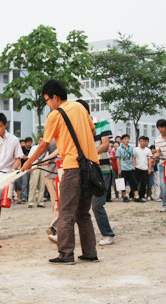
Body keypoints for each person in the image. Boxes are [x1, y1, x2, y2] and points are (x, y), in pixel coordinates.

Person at [22, 79, 99, 264]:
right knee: (83, 213)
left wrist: (29, 162)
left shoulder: (55, 115)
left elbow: (44, 144)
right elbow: (92, 130)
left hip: (73, 167)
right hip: (90, 167)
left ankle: (66, 254)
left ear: (55, 97)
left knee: (65, 211)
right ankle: (90, 253)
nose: (47, 104)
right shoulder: (80, 108)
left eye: (47, 100)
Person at [76, 99, 116, 246]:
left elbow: (105, 144)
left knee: (97, 204)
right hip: (85, 170)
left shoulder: (102, 124)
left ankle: (108, 234)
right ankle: (62, 232)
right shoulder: (78, 128)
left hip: (102, 170)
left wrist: (89, 156)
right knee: (77, 203)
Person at [116, 134, 141, 203]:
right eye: (125, 139)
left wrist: (134, 165)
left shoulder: (131, 148)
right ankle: (124, 196)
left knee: (134, 182)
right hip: (123, 168)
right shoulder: (119, 148)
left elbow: (133, 157)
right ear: (122, 140)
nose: (127, 140)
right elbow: (118, 158)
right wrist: (119, 168)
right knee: (123, 183)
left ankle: (136, 196)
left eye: (128, 139)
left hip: (130, 168)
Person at [43, 141, 60, 243]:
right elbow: (43, 155)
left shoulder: (65, 135)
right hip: (49, 176)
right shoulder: (49, 140)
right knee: (55, 203)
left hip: (62, 175)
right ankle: (55, 228)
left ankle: (54, 227)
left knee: (59, 204)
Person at [27, 136, 47, 208]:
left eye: (43, 140)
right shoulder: (34, 148)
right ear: (38, 141)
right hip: (35, 166)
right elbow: (29, 158)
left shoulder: (46, 149)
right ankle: (31, 201)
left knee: (42, 185)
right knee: (33, 184)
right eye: (40, 140)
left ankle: (40, 201)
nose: (41, 142)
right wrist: (29, 166)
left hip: (43, 167)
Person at [135, 136, 152, 201]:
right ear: (139, 141)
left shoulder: (148, 150)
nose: (143, 142)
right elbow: (134, 158)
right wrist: (134, 166)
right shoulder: (136, 149)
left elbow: (149, 160)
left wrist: (149, 168)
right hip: (137, 167)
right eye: (141, 141)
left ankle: (142, 195)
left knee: (143, 183)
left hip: (145, 168)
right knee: (136, 182)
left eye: (144, 141)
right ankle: (135, 195)